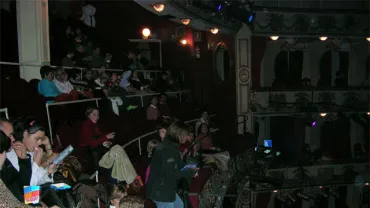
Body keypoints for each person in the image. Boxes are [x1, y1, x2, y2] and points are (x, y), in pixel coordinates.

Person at [146, 121, 198, 208]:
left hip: (166, 188)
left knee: (180, 205)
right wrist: (191, 173)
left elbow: (180, 165)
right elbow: (171, 174)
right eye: (186, 134)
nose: (187, 137)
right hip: (161, 192)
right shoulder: (168, 149)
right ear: (179, 135)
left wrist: (192, 167)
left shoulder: (171, 146)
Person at [7, 118, 57, 186]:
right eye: (37, 139)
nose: (39, 143)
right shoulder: (14, 154)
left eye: (41, 139)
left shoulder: (29, 151)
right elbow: (29, 186)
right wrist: (38, 163)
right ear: (25, 134)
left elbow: (38, 178)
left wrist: (49, 173)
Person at [0, 131, 31, 207]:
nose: (13, 139)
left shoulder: (5, 163)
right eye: (9, 135)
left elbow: (23, 186)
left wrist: (23, 160)